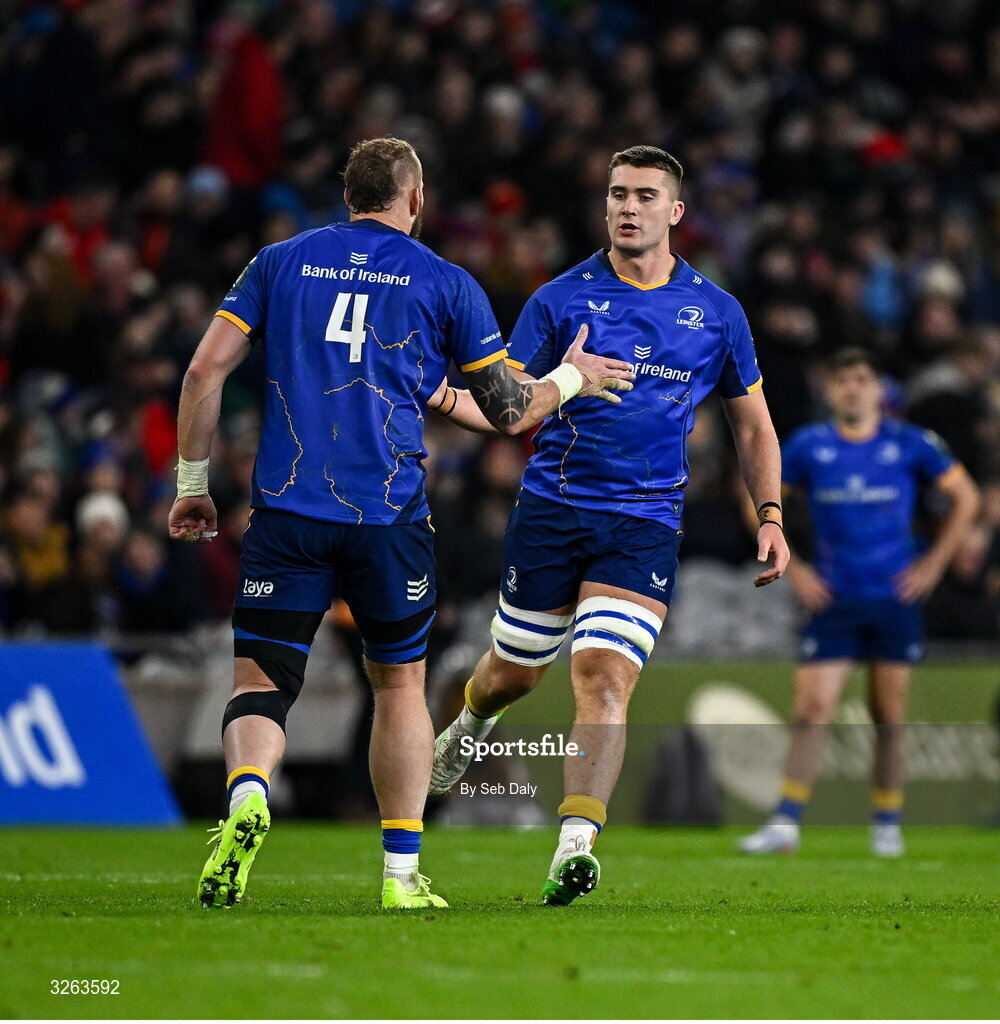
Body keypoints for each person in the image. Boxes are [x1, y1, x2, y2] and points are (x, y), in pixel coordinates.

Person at [167, 136, 633, 910]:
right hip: (387, 518)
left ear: (348, 195)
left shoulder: (281, 262)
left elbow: (203, 370)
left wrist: (192, 484)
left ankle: (248, 794)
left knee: (261, 682)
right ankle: (398, 875)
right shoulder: (444, 281)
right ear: (414, 199)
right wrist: (573, 377)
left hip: (286, 509)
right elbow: (511, 412)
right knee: (400, 687)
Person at [425, 145, 789, 905]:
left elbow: (753, 427)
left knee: (603, 676)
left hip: (646, 521)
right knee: (513, 675)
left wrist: (771, 514)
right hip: (553, 512)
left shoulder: (717, 312)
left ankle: (575, 844)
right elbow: (509, 405)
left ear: (675, 212)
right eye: (618, 194)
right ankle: (467, 726)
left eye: (645, 195)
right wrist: (567, 381)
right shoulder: (559, 300)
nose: (629, 207)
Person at [740, 347, 980, 857]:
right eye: (843, 380)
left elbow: (968, 499)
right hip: (833, 595)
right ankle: (785, 823)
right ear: (831, 391)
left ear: (878, 390)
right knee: (811, 709)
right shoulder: (809, 446)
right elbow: (753, 497)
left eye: (862, 379)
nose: (853, 388)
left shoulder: (910, 443)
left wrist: (934, 566)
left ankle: (887, 823)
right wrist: (797, 569)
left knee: (888, 714)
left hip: (894, 596)